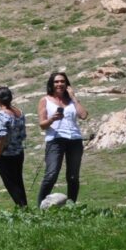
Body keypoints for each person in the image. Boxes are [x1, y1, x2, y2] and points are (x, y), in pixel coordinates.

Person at [37, 71, 87, 204]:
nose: (59, 84)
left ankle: (71, 205)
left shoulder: (71, 100)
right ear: (51, 84)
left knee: (73, 176)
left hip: (74, 139)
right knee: (51, 174)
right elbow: (42, 125)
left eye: (62, 81)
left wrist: (74, 97)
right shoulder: (45, 100)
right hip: (55, 139)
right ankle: (41, 206)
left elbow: (83, 115)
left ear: (67, 84)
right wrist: (52, 119)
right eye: (56, 82)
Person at [0, 86, 28, 209]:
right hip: (18, 152)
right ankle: (24, 205)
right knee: (18, 180)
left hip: (6, 154)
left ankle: (22, 206)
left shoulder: (2, 115)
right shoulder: (19, 113)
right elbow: (23, 134)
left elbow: (2, 137)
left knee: (11, 183)